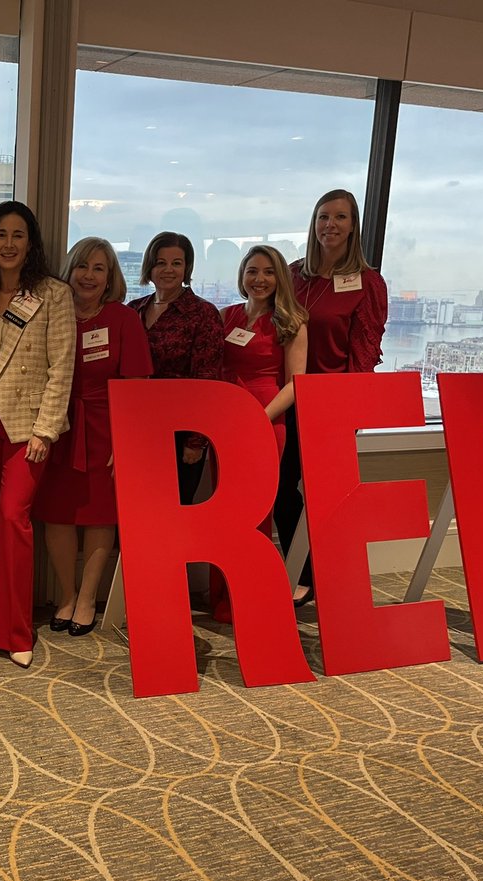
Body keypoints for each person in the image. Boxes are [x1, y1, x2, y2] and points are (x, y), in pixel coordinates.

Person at [0, 201, 75, 669]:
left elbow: (62, 366)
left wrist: (47, 429)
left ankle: (16, 629)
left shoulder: (53, 294)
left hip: (29, 427)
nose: (8, 244)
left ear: (31, 243)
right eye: (1, 234)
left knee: (13, 518)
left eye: (18, 235)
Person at [274, 189, 388, 606]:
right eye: (324, 217)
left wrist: (349, 410)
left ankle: (332, 576)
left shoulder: (367, 282)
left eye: (340, 217)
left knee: (327, 492)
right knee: (281, 488)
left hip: (330, 404)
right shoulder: (292, 274)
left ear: (354, 225)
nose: (331, 225)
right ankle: (302, 570)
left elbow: (364, 350)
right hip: (285, 398)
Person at [34, 238, 152, 636]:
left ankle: (87, 598)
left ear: (110, 278)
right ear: (69, 270)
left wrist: (125, 442)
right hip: (57, 424)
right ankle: (66, 596)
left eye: (98, 269)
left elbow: (138, 386)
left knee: (101, 515)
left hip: (107, 427)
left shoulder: (123, 319)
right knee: (58, 513)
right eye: (82, 266)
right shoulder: (53, 313)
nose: (88, 275)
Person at [210, 245, 308, 622]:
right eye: (252, 271)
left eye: (268, 272)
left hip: (266, 420)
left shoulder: (292, 321)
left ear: (280, 277)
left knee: (254, 515)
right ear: (242, 275)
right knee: (223, 511)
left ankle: (245, 597)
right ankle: (219, 596)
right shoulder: (226, 316)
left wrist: (259, 418)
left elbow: (296, 383)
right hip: (224, 422)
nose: (260, 279)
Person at [127, 231, 224, 504]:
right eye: (160, 262)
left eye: (176, 263)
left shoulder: (203, 314)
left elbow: (207, 382)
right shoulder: (134, 310)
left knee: (175, 509)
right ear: (150, 267)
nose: (168, 269)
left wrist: (195, 440)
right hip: (138, 425)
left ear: (187, 268)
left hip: (182, 429)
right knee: (138, 507)